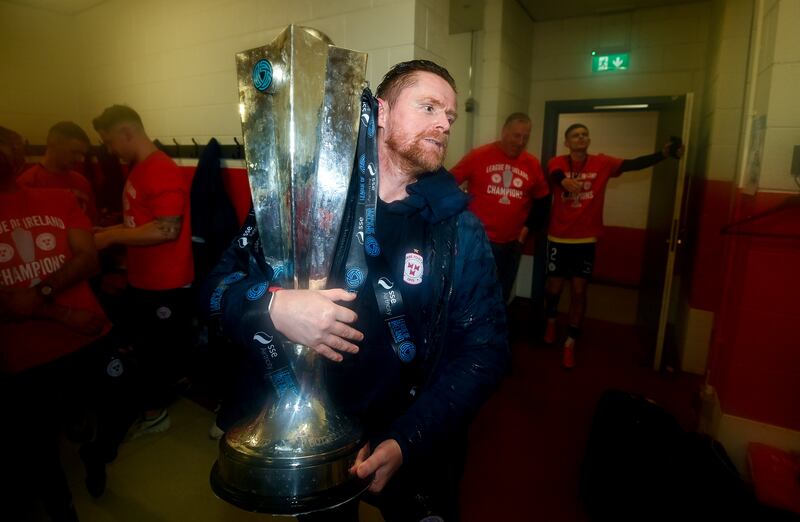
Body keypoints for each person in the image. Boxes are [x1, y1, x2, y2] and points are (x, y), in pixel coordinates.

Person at [203, 60, 509, 521]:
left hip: (408, 439)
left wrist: (409, 439)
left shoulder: (459, 229)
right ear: (380, 112)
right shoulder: (302, 201)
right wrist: (273, 306)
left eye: (450, 116)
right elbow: (214, 288)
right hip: (314, 445)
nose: (444, 124)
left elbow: (485, 351)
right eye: (428, 107)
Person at [0, 127, 137, 521]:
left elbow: (88, 258)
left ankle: (96, 450)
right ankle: (63, 509)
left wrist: (40, 294)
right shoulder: (37, 181)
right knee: (35, 445)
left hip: (88, 332)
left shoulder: (59, 195)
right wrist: (60, 310)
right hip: (25, 355)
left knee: (124, 390)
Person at [544, 123, 683, 369]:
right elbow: (555, 174)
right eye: (575, 135)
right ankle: (552, 320)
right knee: (554, 287)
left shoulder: (602, 163)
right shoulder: (557, 161)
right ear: (567, 142)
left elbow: (633, 164)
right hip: (559, 237)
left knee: (579, 291)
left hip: (586, 239)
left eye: (585, 134)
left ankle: (570, 341)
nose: (581, 138)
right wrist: (565, 182)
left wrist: (662, 154)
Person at [92, 105, 194, 437]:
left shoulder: (160, 169)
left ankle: (155, 413)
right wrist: (110, 229)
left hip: (165, 282)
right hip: (145, 279)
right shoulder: (139, 169)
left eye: (110, 142)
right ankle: (158, 400)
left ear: (127, 133)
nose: (110, 150)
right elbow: (143, 222)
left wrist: (111, 237)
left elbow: (167, 230)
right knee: (148, 346)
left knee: (154, 352)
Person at [451, 112, 550, 302]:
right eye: (516, 135)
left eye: (525, 137)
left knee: (501, 292)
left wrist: (526, 229)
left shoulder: (531, 164)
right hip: (479, 240)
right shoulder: (479, 156)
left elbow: (543, 200)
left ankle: (496, 330)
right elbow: (448, 184)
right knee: (473, 293)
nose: (520, 142)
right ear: (504, 132)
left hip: (512, 243)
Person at [17, 121, 99, 223]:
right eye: (74, 152)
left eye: (82, 154)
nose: (79, 159)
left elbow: (92, 221)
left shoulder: (82, 182)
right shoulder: (28, 182)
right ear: (53, 143)